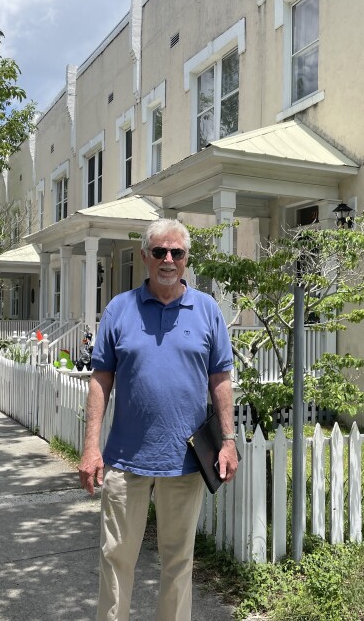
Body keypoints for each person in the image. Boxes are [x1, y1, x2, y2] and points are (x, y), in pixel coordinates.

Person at [77, 218, 238, 621]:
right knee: (116, 558)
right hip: (125, 459)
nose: (168, 259)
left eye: (177, 253)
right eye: (160, 252)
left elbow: (220, 378)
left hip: (185, 461)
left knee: (178, 562)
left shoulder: (207, 310)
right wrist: (91, 446)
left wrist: (229, 440)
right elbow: (101, 380)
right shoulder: (120, 309)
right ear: (145, 256)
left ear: (186, 259)